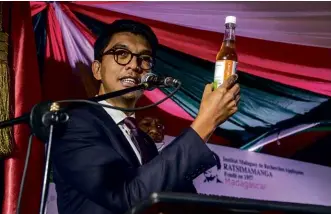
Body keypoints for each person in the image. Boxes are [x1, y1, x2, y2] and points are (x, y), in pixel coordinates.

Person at [51, 19, 240, 214]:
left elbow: (182, 201)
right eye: (121, 54)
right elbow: (126, 196)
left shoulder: (143, 141)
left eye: (144, 58)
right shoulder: (74, 124)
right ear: (97, 69)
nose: (134, 65)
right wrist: (205, 124)